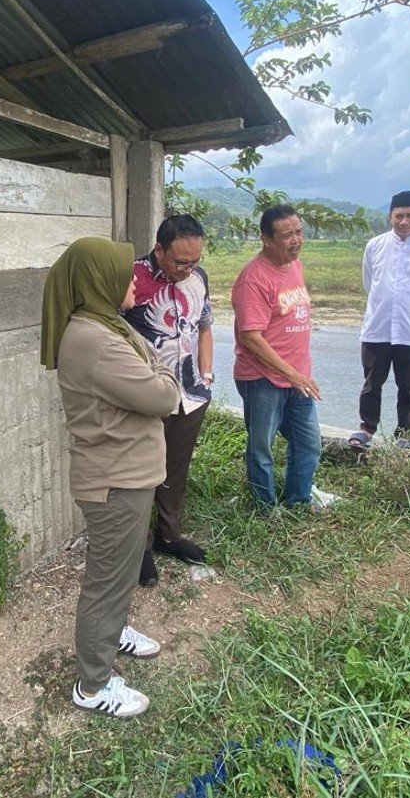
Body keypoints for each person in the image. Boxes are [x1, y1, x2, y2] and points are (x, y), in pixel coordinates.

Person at [40, 236, 180, 719]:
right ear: (100, 281)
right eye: (125, 273)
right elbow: (164, 394)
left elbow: (158, 368)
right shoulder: (94, 340)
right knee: (106, 579)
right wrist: (160, 372)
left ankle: (113, 632)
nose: (135, 280)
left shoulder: (109, 325)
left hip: (128, 474)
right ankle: (92, 684)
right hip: (115, 481)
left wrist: (157, 370)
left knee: (119, 573)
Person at [122, 214, 213, 586]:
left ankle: (169, 535)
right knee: (141, 475)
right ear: (159, 249)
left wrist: (206, 377)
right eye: (179, 262)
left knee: (176, 470)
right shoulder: (130, 278)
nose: (187, 269)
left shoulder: (198, 279)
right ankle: (139, 549)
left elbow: (205, 325)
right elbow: (111, 337)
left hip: (190, 395)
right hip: (146, 398)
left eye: (194, 261)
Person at [231, 205, 322, 508]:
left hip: (297, 377)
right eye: (287, 235)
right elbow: (250, 337)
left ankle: (298, 501)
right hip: (263, 379)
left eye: (299, 232)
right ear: (266, 239)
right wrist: (291, 374)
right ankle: (264, 509)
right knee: (262, 448)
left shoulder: (294, 266)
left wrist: (299, 374)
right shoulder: (253, 279)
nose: (296, 240)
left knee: (308, 443)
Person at [351, 190, 410, 450]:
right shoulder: (375, 245)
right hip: (377, 328)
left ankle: (404, 434)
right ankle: (366, 428)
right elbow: (369, 282)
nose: (404, 221)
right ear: (390, 216)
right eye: (399, 216)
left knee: (408, 388)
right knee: (372, 383)